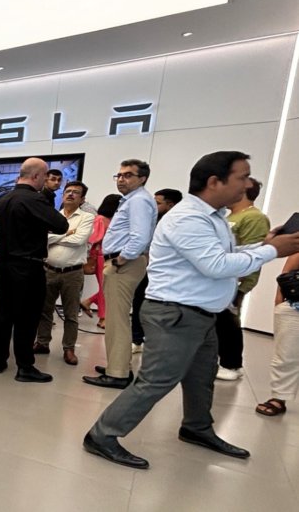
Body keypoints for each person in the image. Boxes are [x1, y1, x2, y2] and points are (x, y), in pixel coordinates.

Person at [83, 151, 299, 470]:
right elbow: (216, 265)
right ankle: (102, 434)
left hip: (199, 313)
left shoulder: (212, 217)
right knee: (157, 380)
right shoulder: (188, 218)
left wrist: (263, 244)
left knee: (201, 377)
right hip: (175, 314)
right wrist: (271, 251)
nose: (247, 184)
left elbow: (219, 254)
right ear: (214, 182)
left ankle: (196, 427)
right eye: (241, 177)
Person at [0, 158, 69, 383]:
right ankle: (25, 367)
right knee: (27, 316)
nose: (46, 181)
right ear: (35, 176)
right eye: (45, 176)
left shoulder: (2, 201)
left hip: (4, 264)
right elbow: (61, 225)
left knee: (4, 313)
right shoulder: (34, 199)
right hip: (28, 266)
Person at [83, 159, 157, 390]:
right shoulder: (134, 200)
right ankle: (118, 366)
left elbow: (140, 237)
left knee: (117, 321)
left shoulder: (139, 201)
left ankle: (118, 374)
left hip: (124, 264)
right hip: (124, 263)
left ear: (142, 178)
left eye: (128, 175)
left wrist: (120, 260)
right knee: (118, 319)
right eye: (119, 175)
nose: (121, 179)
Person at [34, 181, 94, 366]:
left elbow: (79, 240)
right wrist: (68, 233)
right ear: (63, 195)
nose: (70, 194)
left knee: (71, 314)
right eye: (68, 191)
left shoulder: (87, 217)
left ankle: (69, 348)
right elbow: (42, 238)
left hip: (72, 273)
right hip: (49, 270)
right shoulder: (53, 216)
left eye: (75, 192)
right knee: (44, 310)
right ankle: (42, 343)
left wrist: (56, 237)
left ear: (82, 199)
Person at [217, 178, 270, 381]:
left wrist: (243, 283)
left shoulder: (254, 218)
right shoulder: (229, 216)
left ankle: (231, 364)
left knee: (228, 322)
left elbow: (254, 253)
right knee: (218, 322)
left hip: (235, 279)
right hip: (222, 277)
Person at [131, 189, 183, 353]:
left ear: (170, 205)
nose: (153, 206)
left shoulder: (179, 225)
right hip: (147, 269)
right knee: (138, 303)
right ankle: (136, 340)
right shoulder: (151, 220)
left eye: (158, 203)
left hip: (168, 274)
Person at [256, 253, 299, 417]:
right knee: (286, 356)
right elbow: (285, 273)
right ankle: (279, 398)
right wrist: (279, 304)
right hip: (295, 307)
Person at [81, 194, 122, 329]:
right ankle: (102, 318)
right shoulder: (100, 219)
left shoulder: (109, 219)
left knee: (108, 286)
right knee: (105, 287)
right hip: (100, 256)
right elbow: (93, 238)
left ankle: (89, 302)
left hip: (108, 256)